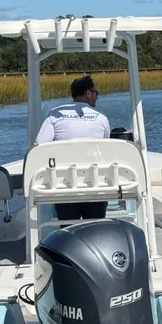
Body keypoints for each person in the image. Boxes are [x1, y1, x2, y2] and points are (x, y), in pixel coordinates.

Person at [35, 75, 110, 223]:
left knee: (68, 227)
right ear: (88, 93)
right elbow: (105, 149)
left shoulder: (54, 116)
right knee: (94, 226)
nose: (97, 97)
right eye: (96, 93)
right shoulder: (101, 119)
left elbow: (40, 145)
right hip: (94, 184)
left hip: (64, 184)